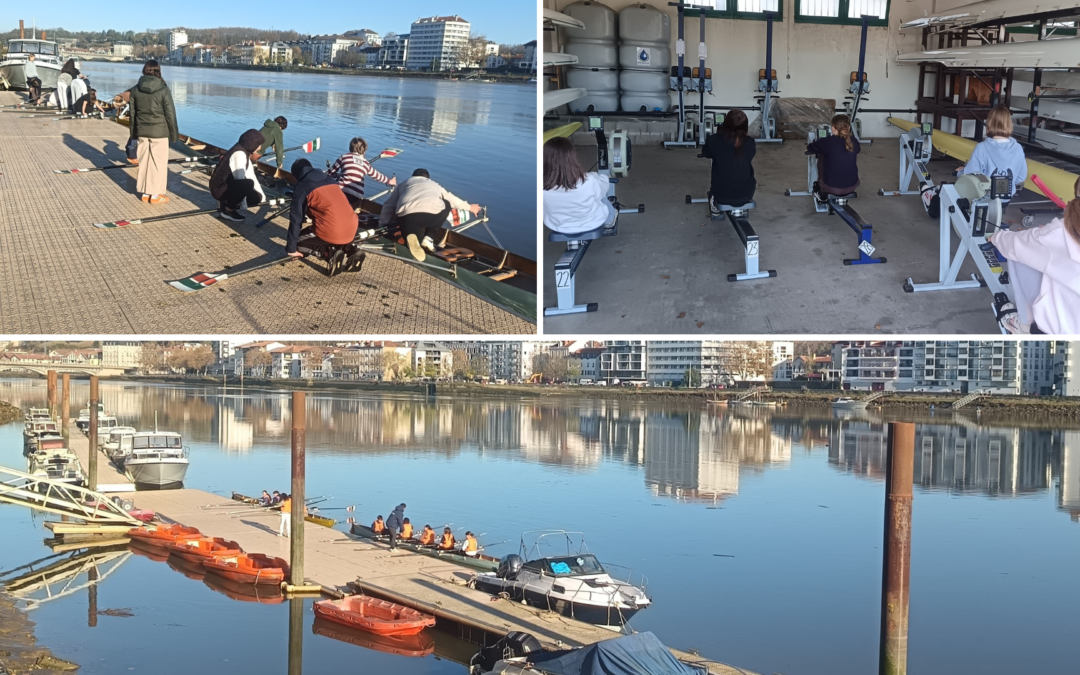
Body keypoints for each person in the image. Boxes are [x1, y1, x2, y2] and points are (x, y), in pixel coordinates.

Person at [989, 176, 1080, 334]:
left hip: (1065, 332)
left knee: (1020, 254)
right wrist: (1046, 235)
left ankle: (1024, 324)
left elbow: (1015, 244)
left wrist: (996, 237)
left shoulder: (1060, 232)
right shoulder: (1057, 233)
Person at [379, 168, 480, 261]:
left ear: (412, 177)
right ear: (427, 178)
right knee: (447, 203)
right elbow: (452, 199)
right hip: (430, 217)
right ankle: (428, 238)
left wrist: (382, 225)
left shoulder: (404, 184)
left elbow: (388, 206)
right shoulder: (434, 184)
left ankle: (412, 238)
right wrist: (470, 207)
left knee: (413, 239)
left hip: (406, 218)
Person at [287, 159, 365, 276]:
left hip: (331, 229)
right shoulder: (329, 179)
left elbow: (296, 219)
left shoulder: (302, 186)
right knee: (333, 233)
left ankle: (328, 254)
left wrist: (291, 249)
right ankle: (351, 250)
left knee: (298, 242)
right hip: (352, 226)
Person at [542, 136, 616, 239]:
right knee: (600, 194)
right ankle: (610, 220)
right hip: (591, 223)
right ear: (571, 157)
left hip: (558, 226)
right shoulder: (589, 180)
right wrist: (605, 177)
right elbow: (603, 188)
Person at [129, 60, 178, 205]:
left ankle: (145, 193)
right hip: (159, 132)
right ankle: (156, 195)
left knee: (144, 162)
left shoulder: (135, 89)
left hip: (142, 131)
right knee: (158, 163)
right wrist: (174, 134)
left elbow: (132, 114)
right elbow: (170, 114)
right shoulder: (163, 89)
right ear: (158, 71)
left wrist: (133, 134)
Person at [958, 105, 1027, 203]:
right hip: (1005, 200)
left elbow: (971, 174)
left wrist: (960, 172)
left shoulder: (982, 147)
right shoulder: (1018, 148)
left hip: (984, 199)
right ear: (1009, 123)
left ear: (989, 123)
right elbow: (1021, 177)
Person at [702, 109, 756, 208]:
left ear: (725, 123)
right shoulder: (750, 142)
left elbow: (706, 153)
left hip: (721, 195)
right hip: (747, 194)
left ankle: (715, 209)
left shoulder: (713, 140)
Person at [209, 129, 266, 222]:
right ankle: (228, 210)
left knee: (257, 197)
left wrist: (262, 197)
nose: (259, 148)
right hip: (218, 188)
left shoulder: (245, 151)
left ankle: (227, 201)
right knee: (248, 185)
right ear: (251, 143)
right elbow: (240, 180)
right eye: (258, 144)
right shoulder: (239, 154)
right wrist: (244, 204)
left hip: (228, 184)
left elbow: (251, 174)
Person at [328, 137, 396, 209]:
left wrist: (334, 175)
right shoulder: (366, 164)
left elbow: (330, 172)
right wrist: (390, 181)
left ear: (350, 148)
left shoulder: (344, 157)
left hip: (341, 192)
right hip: (356, 198)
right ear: (364, 151)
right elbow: (377, 176)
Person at [807, 113, 860, 197]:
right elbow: (857, 150)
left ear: (833, 128)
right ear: (848, 128)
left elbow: (810, 147)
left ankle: (820, 189)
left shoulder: (827, 142)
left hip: (830, 187)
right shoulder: (854, 141)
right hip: (852, 186)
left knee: (822, 156)